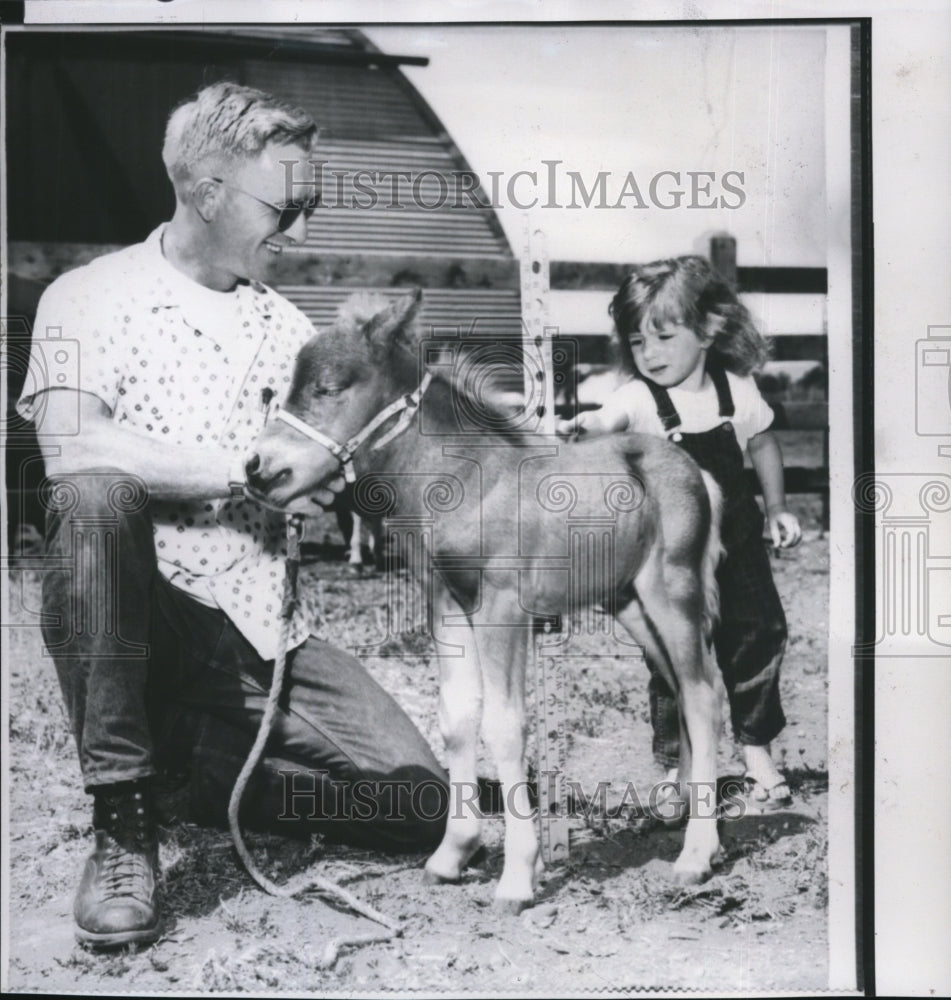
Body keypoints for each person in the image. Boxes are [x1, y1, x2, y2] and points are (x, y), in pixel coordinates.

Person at [17, 82, 453, 950]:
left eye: (312, 205)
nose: (302, 232)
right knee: (94, 496)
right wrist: (241, 473)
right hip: (141, 611)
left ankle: (188, 775)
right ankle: (124, 819)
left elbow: (331, 464)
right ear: (205, 190)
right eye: (286, 208)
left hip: (259, 624)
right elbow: (70, 447)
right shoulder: (82, 297)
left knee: (418, 805)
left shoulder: (291, 330)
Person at [557, 255, 802, 814]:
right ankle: (677, 764)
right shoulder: (639, 398)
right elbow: (608, 418)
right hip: (671, 550)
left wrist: (778, 506)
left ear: (709, 330)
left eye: (664, 337)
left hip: (736, 537)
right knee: (673, 651)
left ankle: (756, 748)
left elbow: (761, 443)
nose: (651, 354)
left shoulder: (736, 389)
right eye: (638, 342)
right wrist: (588, 425)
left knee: (760, 630)